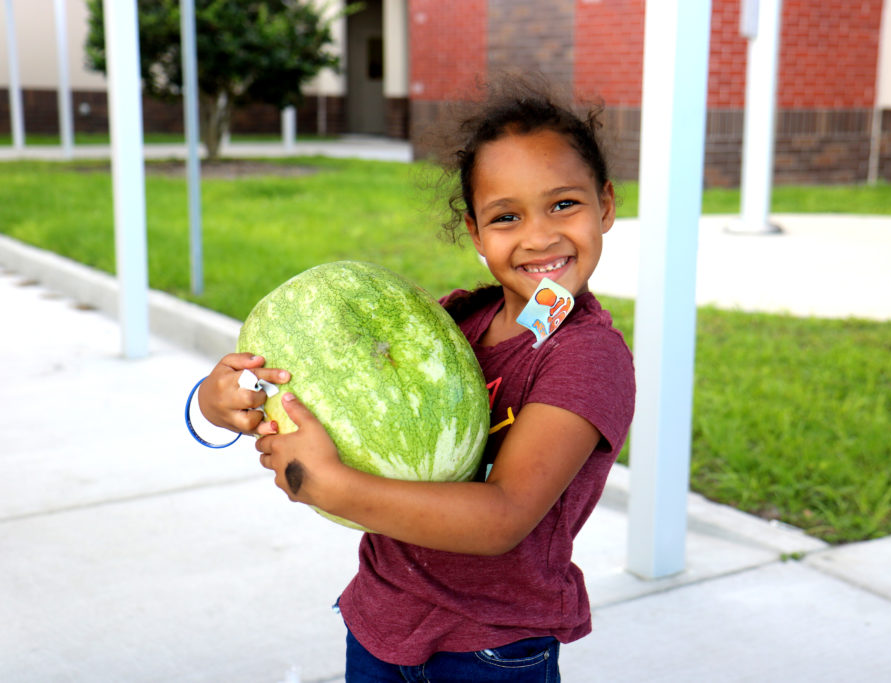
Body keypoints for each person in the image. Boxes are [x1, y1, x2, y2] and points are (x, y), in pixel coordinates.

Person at [190, 77, 636, 682]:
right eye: (506, 216)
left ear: (605, 205)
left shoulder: (588, 358)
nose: (540, 236)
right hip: (380, 621)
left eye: (564, 204)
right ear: (476, 234)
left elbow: (503, 517)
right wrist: (224, 402)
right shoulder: (455, 321)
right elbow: (330, 393)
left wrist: (327, 485)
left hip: (492, 649)